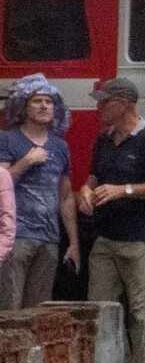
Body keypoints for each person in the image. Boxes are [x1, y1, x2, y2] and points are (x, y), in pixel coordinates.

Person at [78, 78, 145, 363]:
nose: (99, 107)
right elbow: (94, 175)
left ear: (125, 104)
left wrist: (125, 190)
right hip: (106, 238)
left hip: (140, 238)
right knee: (99, 308)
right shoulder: (104, 139)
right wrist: (85, 191)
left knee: (141, 309)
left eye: (105, 102)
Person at [0, 76, 77, 309]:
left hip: (49, 239)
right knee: (10, 308)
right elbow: (2, 184)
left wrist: (73, 242)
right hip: (15, 236)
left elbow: (65, 197)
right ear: (24, 106)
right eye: (37, 101)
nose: (44, 106)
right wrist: (26, 162)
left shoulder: (60, 146)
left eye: (49, 101)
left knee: (38, 312)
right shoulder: (7, 140)